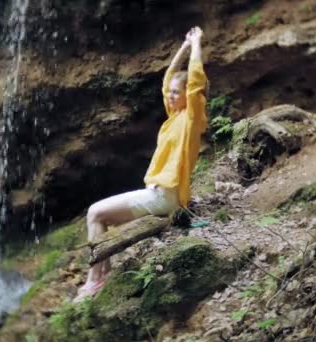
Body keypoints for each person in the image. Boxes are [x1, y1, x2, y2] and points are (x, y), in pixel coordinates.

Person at [74, 26, 208, 302]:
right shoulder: (175, 116)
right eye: (170, 93)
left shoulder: (192, 119)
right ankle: (103, 274)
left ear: (187, 96)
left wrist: (197, 44)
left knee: (94, 213)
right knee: (101, 216)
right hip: (158, 193)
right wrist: (183, 47)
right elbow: (168, 78)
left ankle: (93, 281)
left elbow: (194, 82)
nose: (170, 96)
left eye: (175, 93)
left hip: (165, 197)